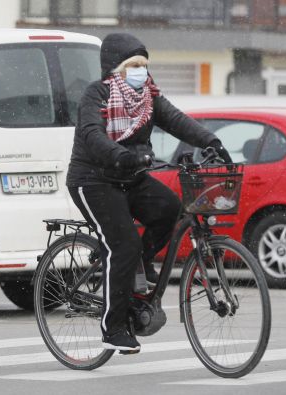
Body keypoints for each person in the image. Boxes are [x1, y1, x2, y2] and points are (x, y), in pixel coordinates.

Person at [66, 33, 232, 352]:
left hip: (132, 176)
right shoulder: (96, 95)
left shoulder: (149, 97)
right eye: (134, 65)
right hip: (93, 179)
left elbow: (177, 121)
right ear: (116, 68)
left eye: (144, 64)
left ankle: (140, 260)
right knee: (123, 243)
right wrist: (120, 154)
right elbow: (92, 135)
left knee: (170, 209)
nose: (142, 71)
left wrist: (212, 141)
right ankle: (113, 328)